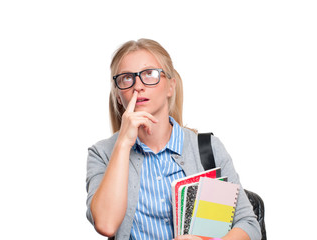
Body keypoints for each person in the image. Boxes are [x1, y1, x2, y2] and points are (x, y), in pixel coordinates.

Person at [86, 39, 261, 240]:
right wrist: (123, 144)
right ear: (118, 96)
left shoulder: (207, 149)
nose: (138, 86)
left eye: (149, 74)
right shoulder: (102, 154)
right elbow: (106, 225)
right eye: (127, 78)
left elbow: (248, 225)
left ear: (170, 86)